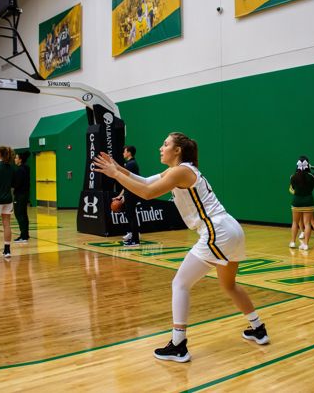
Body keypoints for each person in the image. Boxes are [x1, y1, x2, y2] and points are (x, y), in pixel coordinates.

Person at [94, 132, 269, 363]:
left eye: (165, 144)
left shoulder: (180, 171)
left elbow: (147, 193)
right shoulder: (179, 170)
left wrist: (116, 174)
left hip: (216, 231)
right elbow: (145, 182)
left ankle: (178, 345)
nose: (161, 148)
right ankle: (258, 328)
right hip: (231, 229)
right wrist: (118, 167)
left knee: (180, 283)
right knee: (229, 285)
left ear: (177, 150)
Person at [289, 156, 314, 251]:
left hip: (297, 201)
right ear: (308, 165)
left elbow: (293, 188)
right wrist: (311, 166)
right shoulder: (311, 176)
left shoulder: (293, 176)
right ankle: (306, 244)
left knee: (295, 222)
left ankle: (293, 242)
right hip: (308, 201)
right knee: (307, 224)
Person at [114, 145, 141, 246]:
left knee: (132, 216)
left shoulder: (131, 164)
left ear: (129, 153)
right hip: (129, 193)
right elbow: (126, 183)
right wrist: (121, 196)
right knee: (130, 215)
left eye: (124, 151)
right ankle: (133, 235)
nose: (123, 153)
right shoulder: (131, 163)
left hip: (131, 193)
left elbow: (127, 182)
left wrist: (124, 196)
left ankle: (135, 240)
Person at [13, 152, 30, 243]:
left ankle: (23, 236)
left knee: (19, 214)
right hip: (25, 194)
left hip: (19, 195)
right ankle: (25, 234)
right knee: (24, 214)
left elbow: (17, 184)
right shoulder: (26, 168)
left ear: (20, 160)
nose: (15, 159)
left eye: (16, 158)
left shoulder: (19, 170)